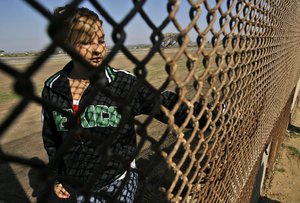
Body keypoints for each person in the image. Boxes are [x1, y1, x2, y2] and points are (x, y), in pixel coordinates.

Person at [41, 5, 223, 203]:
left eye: (101, 41)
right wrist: (55, 177)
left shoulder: (121, 84)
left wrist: (210, 115)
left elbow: (164, 103)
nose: (97, 49)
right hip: (73, 185)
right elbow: (52, 141)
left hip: (117, 182)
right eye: (86, 43)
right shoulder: (52, 89)